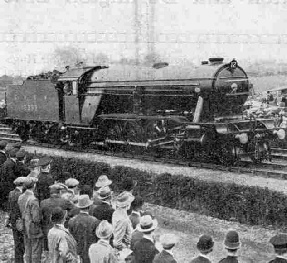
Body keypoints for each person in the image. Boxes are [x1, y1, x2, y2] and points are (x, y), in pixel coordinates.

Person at [40, 183, 75, 256]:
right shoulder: (64, 202)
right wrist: (67, 217)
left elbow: (40, 217)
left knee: (48, 251)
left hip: (47, 230)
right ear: (59, 192)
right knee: (61, 251)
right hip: (61, 229)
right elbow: (74, 210)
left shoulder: (43, 203)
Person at [18, 177, 43, 263]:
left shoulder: (20, 197)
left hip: (25, 225)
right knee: (36, 250)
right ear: (34, 186)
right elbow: (36, 218)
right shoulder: (33, 199)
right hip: (33, 227)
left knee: (28, 249)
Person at [68, 195, 100, 263]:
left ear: (79, 207)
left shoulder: (72, 221)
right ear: (89, 207)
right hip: (90, 253)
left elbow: (70, 239)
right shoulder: (94, 221)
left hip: (77, 253)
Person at [7, 177, 27, 263]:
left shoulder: (11, 193)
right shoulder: (21, 195)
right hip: (20, 221)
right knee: (22, 242)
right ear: (23, 184)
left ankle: (18, 260)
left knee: (17, 242)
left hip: (13, 220)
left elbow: (10, 208)